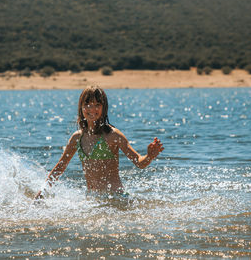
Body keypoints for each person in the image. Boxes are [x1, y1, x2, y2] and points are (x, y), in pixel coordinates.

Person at [35, 85, 164, 199]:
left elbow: (139, 162)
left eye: (97, 105)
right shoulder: (76, 138)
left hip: (116, 198)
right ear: (81, 107)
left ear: (104, 107)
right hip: (92, 200)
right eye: (88, 104)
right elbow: (59, 168)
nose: (92, 109)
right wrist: (42, 192)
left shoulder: (113, 135)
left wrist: (149, 156)